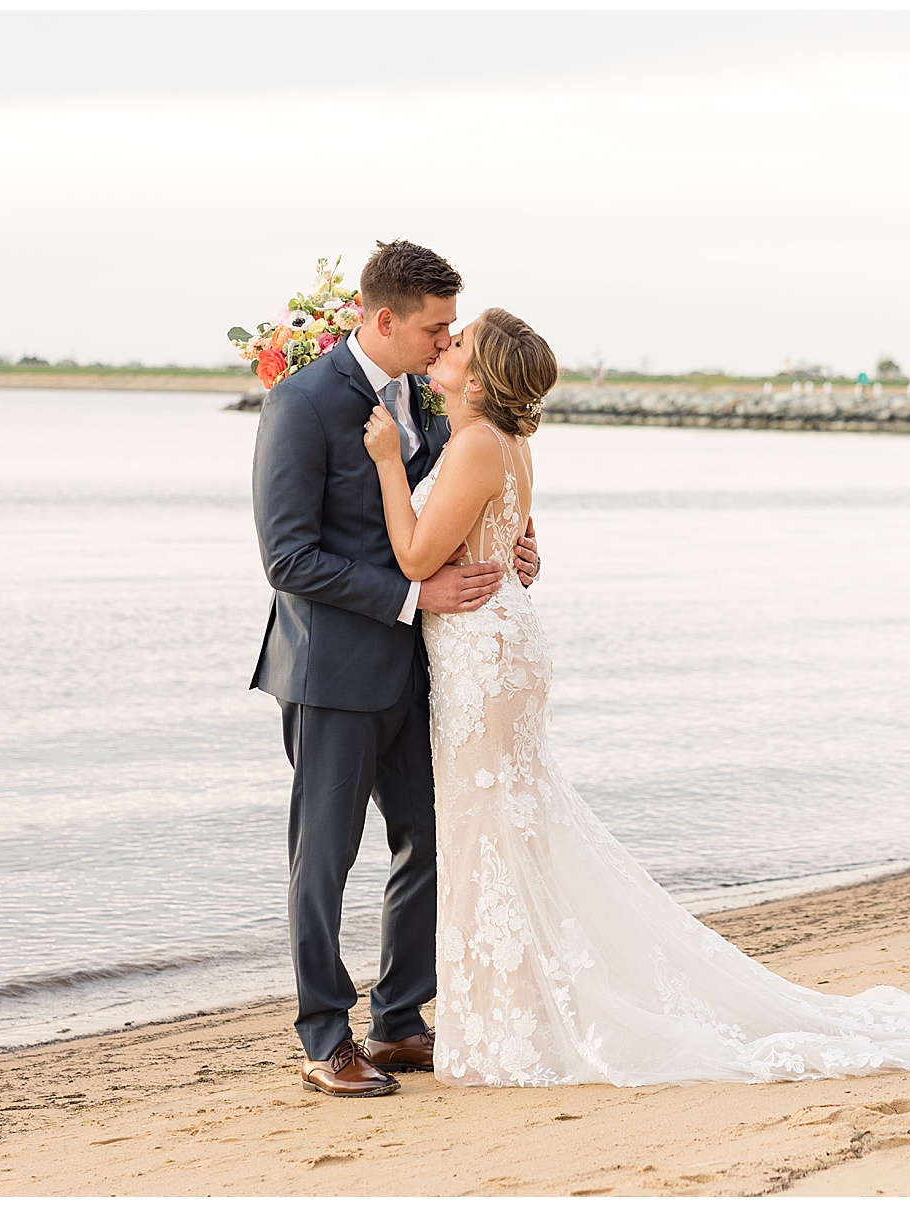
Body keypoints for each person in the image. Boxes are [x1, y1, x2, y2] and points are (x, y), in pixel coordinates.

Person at [361, 308, 910, 1087]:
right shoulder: (506, 443)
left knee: (493, 824)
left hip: (484, 656)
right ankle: (512, 1010)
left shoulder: (471, 445)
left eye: (459, 343)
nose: (446, 346)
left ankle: (515, 1017)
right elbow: (505, 540)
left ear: (484, 373)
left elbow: (417, 553)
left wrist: (390, 461)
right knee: (505, 826)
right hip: (496, 644)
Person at [249, 241, 540, 1097]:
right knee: (325, 856)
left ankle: (403, 1019)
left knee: (432, 836)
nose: (446, 342)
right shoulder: (301, 403)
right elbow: (289, 558)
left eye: (453, 329)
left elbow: (456, 499)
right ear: (384, 320)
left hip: (425, 672)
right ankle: (324, 1037)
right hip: (331, 671)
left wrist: (513, 540)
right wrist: (416, 600)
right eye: (435, 327)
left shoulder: (430, 397)